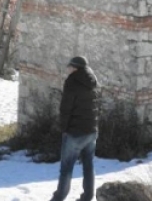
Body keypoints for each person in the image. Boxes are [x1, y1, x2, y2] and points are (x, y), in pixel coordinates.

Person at [50, 56, 101, 201]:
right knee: (88, 165)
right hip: (92, 130)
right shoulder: (93, 81)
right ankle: (88, 196)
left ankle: (59, 197)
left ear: (75, 68)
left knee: (66, 168)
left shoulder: (72, 82)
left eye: (70, 67)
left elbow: (66, 108)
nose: (68, 69)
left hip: (75, 132)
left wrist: (64, 129)